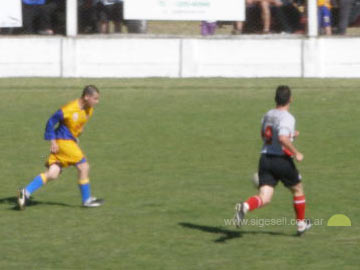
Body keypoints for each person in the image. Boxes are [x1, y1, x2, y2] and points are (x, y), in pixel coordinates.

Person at [234, 85, 311, 236]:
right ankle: (301, 224)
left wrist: (291, 136)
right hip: (280, 160)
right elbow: (282, 138)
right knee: (297, 189)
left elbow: (266, 136)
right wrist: (296, 153)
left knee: (265, 197)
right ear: (290, 99)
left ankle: (245, 206)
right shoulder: (288, 117)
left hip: (265, 159)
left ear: (275, 98)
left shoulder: (268, 115)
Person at [17, 85, 104, 210]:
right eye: (95, 99)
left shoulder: (89, 110)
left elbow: (78, 125)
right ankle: (87, 200)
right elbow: (51, 122)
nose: (97, 102)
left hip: (68, 142)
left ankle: (24, 192)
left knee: (53, 173)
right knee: (83, 166)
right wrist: (52, 141)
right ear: (86, 97)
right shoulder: (68, 109)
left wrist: (76, 135)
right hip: (63, 142)